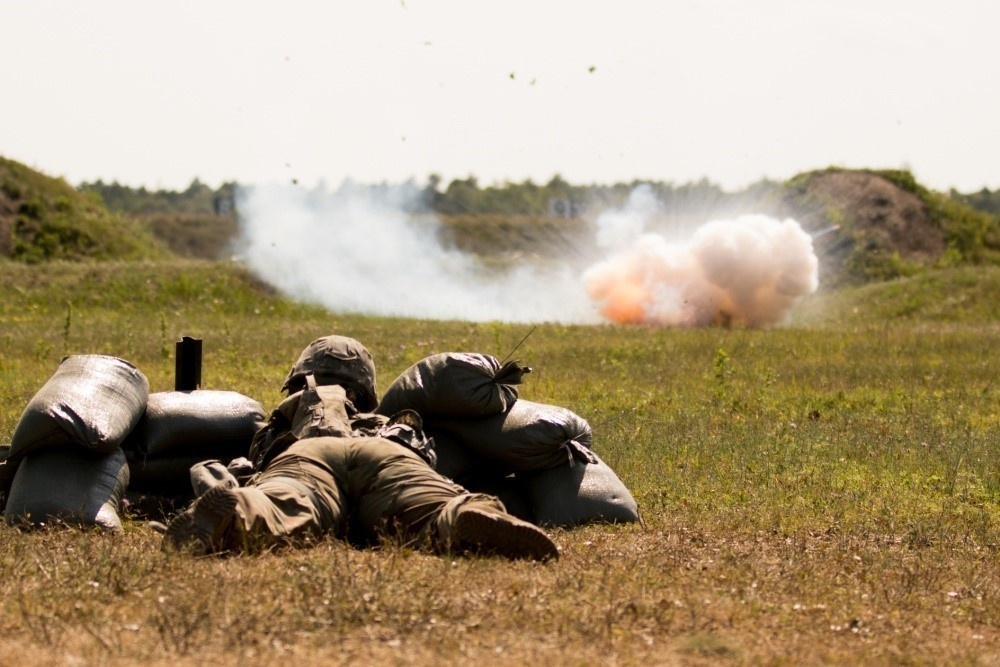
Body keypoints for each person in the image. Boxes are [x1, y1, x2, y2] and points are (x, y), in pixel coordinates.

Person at [161, 336, 559, 562]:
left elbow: (261, 462)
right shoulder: (386, 419)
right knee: (430, 507)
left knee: (282, 505)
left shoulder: (287, 417)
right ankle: (465, 515)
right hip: (388, 454)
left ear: (297, 381)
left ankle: (238, 515)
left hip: (308, 457)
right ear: (368, 391)